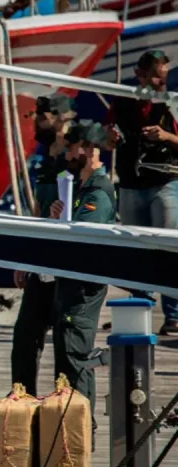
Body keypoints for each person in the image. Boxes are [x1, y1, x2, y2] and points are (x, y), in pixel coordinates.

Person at [49, 122, 117, 452]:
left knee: (75, 357)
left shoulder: (98, 192)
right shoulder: (83, 190)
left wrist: (68, 224)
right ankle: (71, 427)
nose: (67, 154)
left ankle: (82, 432)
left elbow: (84, 236)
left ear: (89, 151)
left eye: (73, 148)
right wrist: (59, 215)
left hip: (83, 289)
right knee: (66, 353)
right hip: (71, 285)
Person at [106, 49, 178, 335]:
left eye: (164, 80)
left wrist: (167, 137)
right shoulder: (122, 101)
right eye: (157, 80)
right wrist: (109, 137)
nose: (162, 85)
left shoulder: (172, 104)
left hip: (166, 182)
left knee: (169, 247)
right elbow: (105, 137)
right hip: (132, 183)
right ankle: (140, 307)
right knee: (137, 248)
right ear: (140, 76)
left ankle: (173, 314)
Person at [9, 102, 70, 397]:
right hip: (42, 258)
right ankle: (22, 396)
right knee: (25, 335)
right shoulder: (47, 156)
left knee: (64, 339)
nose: (36, 125)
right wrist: (25, 259)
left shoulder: (75, 156)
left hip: (66, 263)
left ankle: (65, 404)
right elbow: (37, 212)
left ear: (61, 118)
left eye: (43, 118)